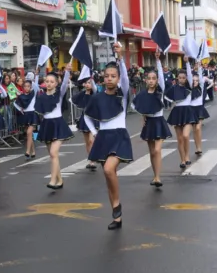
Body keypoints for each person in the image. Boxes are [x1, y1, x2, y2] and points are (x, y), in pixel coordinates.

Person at [84, 44, 132, 229]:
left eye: (113, 76)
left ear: (118, 78)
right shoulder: (97, 98)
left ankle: (117, 204)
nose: (110, 79)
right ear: (102, 79)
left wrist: (120, 58)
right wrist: (95, 133)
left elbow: (126, 79)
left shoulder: (123, 95)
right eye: (107, 76)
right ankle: (116, 215)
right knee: (108, 176)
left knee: (108, 170)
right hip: (103, 137)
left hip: (119, 136)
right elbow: (87, 117)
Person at [131, 50, 172, 187]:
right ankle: (155, 176)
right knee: (151, 152)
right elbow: (143, 107)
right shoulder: (142, 94)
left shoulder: (159, 91)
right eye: (149, 78)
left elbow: (160, 74)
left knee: (157, 150)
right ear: (146, 80)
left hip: (159, 122)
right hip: (149, 123)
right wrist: (143, 119)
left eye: (154, 78)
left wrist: (158, 61)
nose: (151, 81)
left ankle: (158, 177)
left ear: (157, 80)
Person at [34, 64, 74, 190]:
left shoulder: (59, 94)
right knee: (52, 156)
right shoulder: (41, 96)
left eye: (52, 82)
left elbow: (64, 87)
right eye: (47, 81)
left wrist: (67, 72)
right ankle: (60, 180)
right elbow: (35, 86)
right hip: (47, 125)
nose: (49, 83)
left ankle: (52, 180)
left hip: (58, 124)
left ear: (56, 83)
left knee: (53, 153)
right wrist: (36, 75)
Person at [165, 57, 196, 169]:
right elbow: (167, 94)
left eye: (184, 78)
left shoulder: (188, 87)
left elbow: (189, 75)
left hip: (187, 112)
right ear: (177, 78)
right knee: (179, 138)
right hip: (177, 113)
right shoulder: (174, 88)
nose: (182, 79)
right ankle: (182, 159)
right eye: (180, 77)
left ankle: (187, 156)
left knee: (186, 135)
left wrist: (187, 63)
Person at [71, 78, 99, 171]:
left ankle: (94, 159)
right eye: (86, 83)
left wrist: (91, 79)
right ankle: (91, 160)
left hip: (93, 118)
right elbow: (76, 101)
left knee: (92, 140)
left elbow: (94, 88)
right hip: (84, 118)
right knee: (87, 141)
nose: (88, 85)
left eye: (89, 83)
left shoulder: (95, 93)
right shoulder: (82, 94)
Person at [14, 78, 39, 159]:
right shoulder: (21, 96)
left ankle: (27, 151)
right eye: (25, 86)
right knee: (29, 135)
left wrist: (34, 77)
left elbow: (36, 85)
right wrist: (20, 109)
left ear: (30, 87)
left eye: (28, 86)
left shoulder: (33, 93)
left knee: (29, 133)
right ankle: (33, 151)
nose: (26, 88)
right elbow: (15, 103)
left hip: (33, 115)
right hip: (25, 115)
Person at [190, 62, 210, 155]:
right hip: (191, 110)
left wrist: (199, 67)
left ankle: (200, 146)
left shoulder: (200, 88)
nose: (195, 82)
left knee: (198, 128)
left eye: (196, 80)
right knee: (194, 130)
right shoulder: (189, 90)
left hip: (199, 109)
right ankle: (197, 147)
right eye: (193, 80)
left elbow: (202, 79)